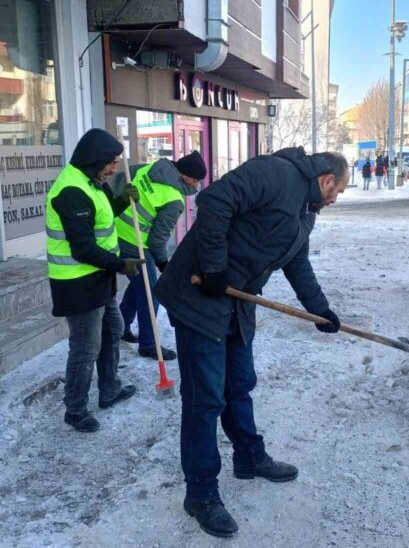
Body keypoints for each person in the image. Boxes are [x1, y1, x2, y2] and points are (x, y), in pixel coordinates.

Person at [154, 147, 349, 538]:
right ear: (326, 179)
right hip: (199, 296)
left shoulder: (305, 213)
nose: (335, 198)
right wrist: (212, 266)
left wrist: (320, 310)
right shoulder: (275, 173)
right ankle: (201, 494)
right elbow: (214, 199)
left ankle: (249, 457)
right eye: (338, 191)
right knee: (205, 400)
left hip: (236, 301)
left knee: (239, 385)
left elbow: (297, 262)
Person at [46, 129, 144, 433]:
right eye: (111, 162)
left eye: (116, 162)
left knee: (113, 329)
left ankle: (109, 389)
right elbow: (84, 248)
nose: (114, 168)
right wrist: (121, 264)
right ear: (95, 159)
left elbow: (101, 219)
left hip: (96, 281)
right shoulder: (71, 191)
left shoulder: (91, 183)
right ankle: (75, 410)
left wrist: (122, 201)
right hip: (77, 285)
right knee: (85, 348)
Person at [115, 151, 207, 360]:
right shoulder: (174, 199)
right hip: (134, 242)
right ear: (184, 175)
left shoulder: (149, 168)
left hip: (115, 232)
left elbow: (122, 182)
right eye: (195, 180)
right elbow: (158, 239)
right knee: (150, 293)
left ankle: (121, 325)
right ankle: (148, 344)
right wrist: (163, 263)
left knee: (140, 283)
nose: (196, 186)